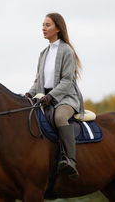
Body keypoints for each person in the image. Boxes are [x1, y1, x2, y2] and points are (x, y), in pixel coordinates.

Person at [25, 12, 85, 180]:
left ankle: (70, 160)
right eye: (43, 25)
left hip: (67, 98)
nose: (43, 28)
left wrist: (51, 96)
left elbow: (67, 81)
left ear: (58, 28)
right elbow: (38, 80)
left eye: (48, 25)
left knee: (59, 117)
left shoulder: (67, 51)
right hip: (46, 98)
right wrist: (29, 93)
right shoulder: (43, 53)